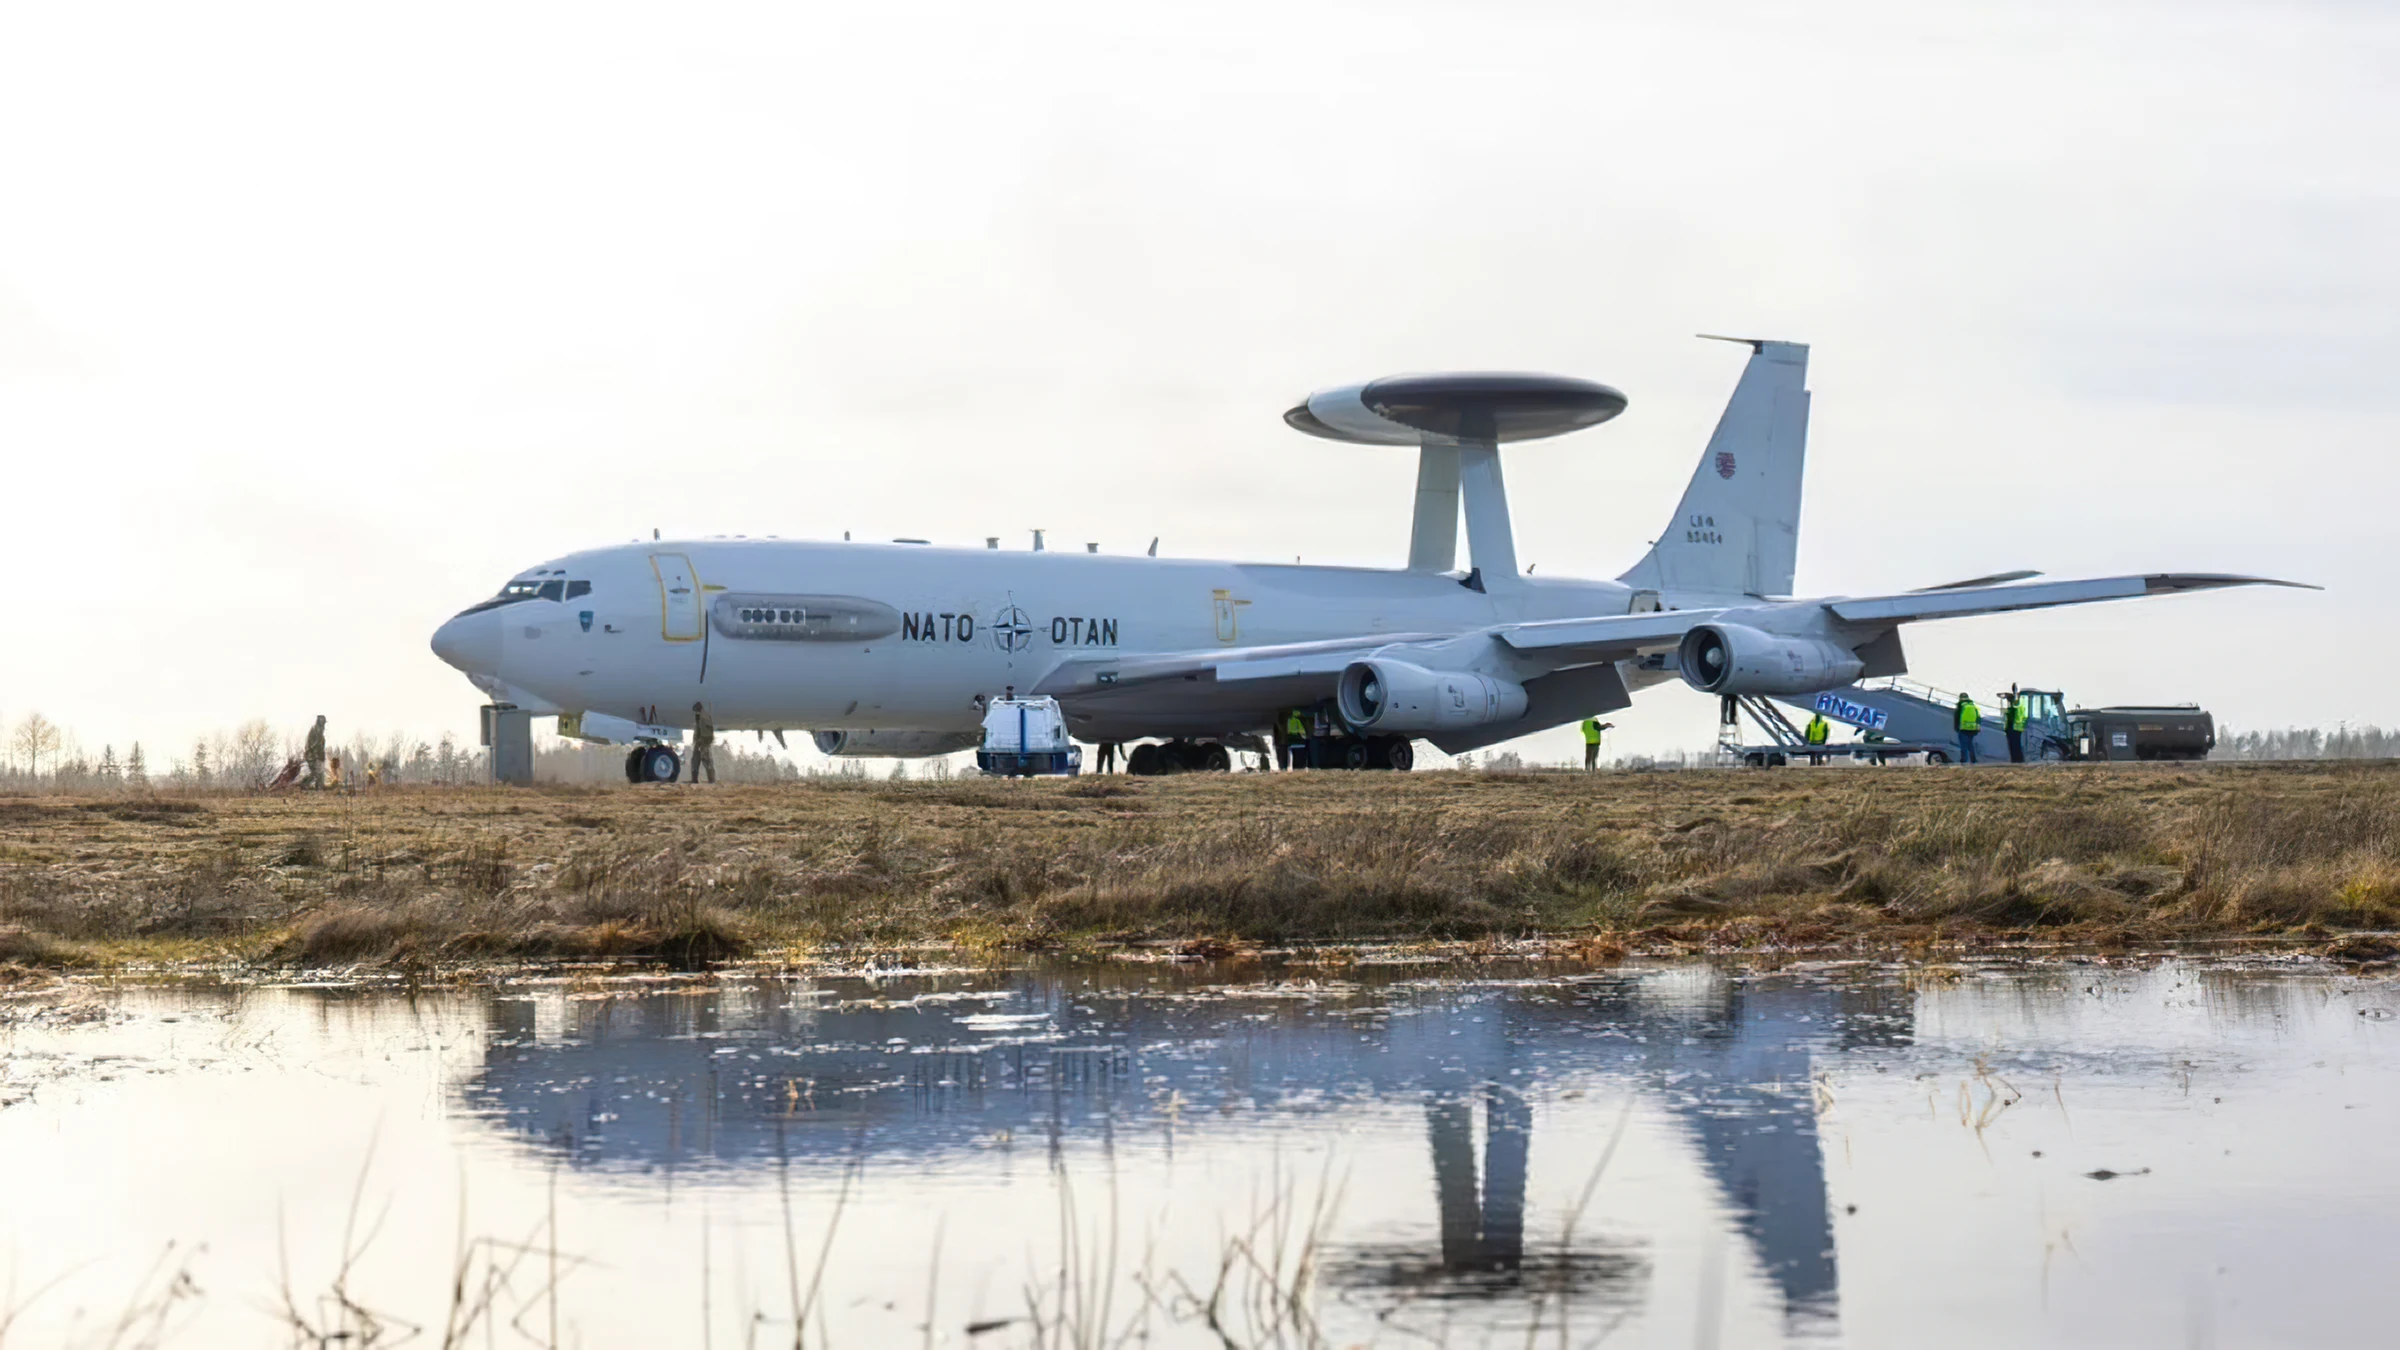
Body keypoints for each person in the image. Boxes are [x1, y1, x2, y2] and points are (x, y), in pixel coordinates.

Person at [687, 701, 717, 783]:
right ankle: (694, 780)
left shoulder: (705, 718)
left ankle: (712, 780)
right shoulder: (700, 717)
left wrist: (703, 741)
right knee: (695, 761)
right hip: (699, 742)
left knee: (707, 761)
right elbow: (698, 730)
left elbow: (707, 732)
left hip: (704, 743)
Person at [1953, 693, 1981, 764]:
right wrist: (1977, 728)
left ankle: (1963, 760)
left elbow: (1957, 717)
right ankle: (1973, 760)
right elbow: (1978, 718)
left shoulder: (1961, 705)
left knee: (1963, 745)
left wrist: (1956, 727)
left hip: (1963, 728)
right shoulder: (1973, 706)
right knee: (1970, 744)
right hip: (1972, 729)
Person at [302, 715, 328, 789]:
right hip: (313, 755)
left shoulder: (318, 730)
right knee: (315, 773)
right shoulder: (316, 730)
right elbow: (314, 745)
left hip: (316, 755)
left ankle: (318, 787)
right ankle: (304, 784)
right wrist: (315, 754)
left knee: (318, 773)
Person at [2004, 691, 2028, 763]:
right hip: (2014, 728)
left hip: (2014, 728)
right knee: (2014, 745)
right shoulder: (2016, 707)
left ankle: (2017, 759)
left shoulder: (2016, 707)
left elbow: (2013, 718)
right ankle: (2016, 759)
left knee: (2015, 745)